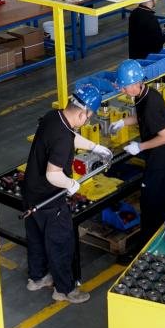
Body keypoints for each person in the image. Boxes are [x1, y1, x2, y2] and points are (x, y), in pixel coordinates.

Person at [23, 84, 113, 304]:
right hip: (50, 199)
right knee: (61, 243)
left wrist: (94, 147)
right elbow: (53, 174)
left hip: (30, 192)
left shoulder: (53, 117)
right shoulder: (63, 138)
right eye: (88, 117)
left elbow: (69, 135)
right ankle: (64, 290)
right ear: (82, 113)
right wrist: (70, 183)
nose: (87, 122)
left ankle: (37, 278)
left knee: (35, 237)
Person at [109, 60, 165, 251]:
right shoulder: (144, 95)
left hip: (160, 159)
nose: (122, 91)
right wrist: (123, 122)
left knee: (150, 204)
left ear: (135, 83)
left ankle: (147, 248)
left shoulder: (150, 104)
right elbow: (141, 118)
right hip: (163, 157)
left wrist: (140, 147)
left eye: (124, 87)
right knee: (163, 200)